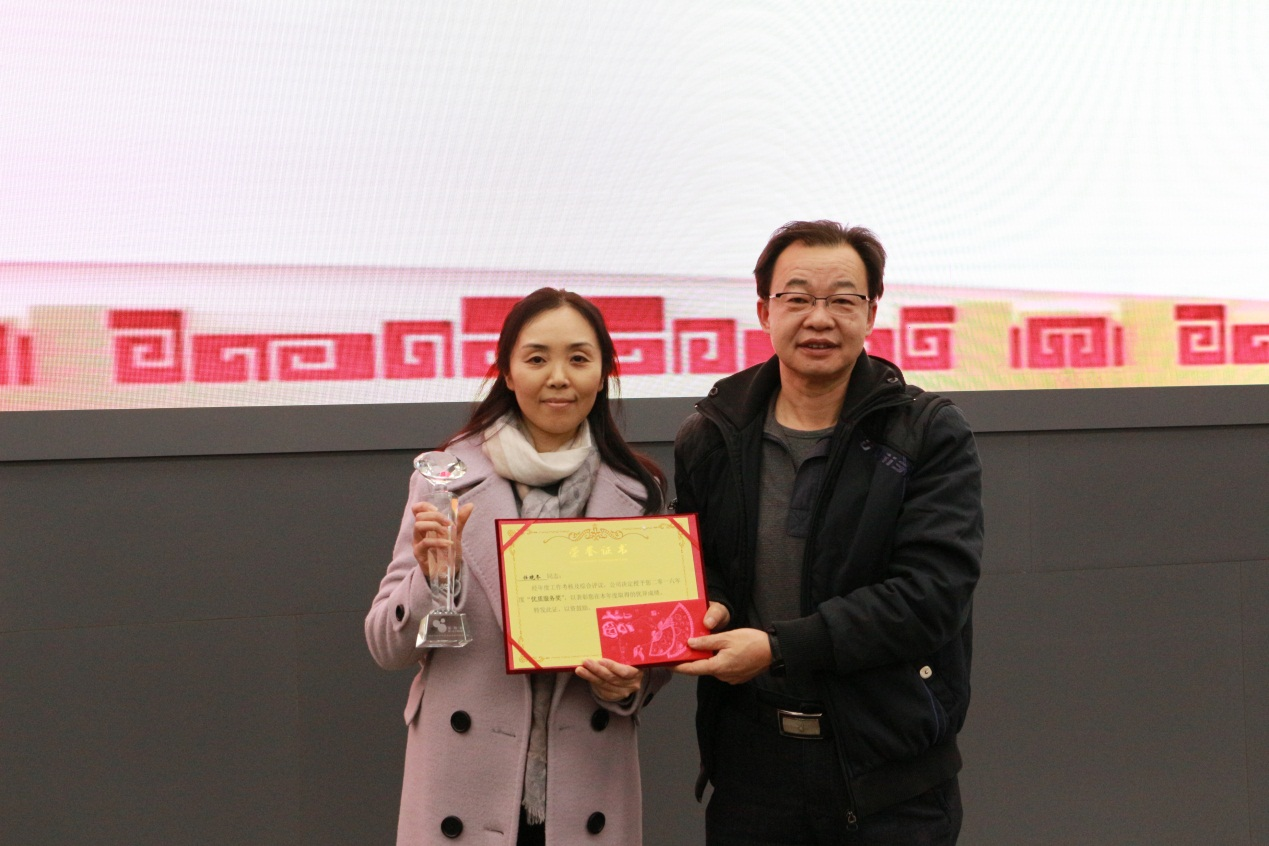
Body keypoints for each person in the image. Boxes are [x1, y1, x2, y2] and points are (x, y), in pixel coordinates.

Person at [673, 221, 984, 845]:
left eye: (842, 300)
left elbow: (930, 596)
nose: (819, 318)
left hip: (887, 775)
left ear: (871, 313)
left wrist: (779, 647)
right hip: (752, 773)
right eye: (797, 298)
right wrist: (710, 606)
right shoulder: (712, 434)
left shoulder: (926, 433)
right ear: (765, 311)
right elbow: (707, 573)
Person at [366, 288, 670, 846]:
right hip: (462, 788)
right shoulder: (444, 480)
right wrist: (434, 580)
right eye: (536, 358)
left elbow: (653, 650)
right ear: (507, 372)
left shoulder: (638, 491)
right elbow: (387, 647)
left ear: (603, 372)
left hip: (586, 788)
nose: (559, 377)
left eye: (579, 358)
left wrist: (634, 681)